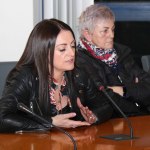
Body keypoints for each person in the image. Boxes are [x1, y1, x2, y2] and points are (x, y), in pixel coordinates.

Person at [0, 18, 113, 133]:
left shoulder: (78, 75)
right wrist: (50, 122)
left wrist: (93, 116)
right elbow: (2, 118)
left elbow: (106, 105)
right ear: (44, 52)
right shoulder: (24, 76)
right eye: (62, 49)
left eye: (73, 46)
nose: (71, 53)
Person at [76, 4, 150, 117]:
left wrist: (124, 91)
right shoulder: (80, 60)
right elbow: (103, 98)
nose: (112, 35)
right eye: (105, 31)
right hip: (113, 123)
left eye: (113, 29)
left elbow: (148, 86)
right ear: (87, 34)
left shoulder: (122, 51)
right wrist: (135, 89)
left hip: (140, 118)